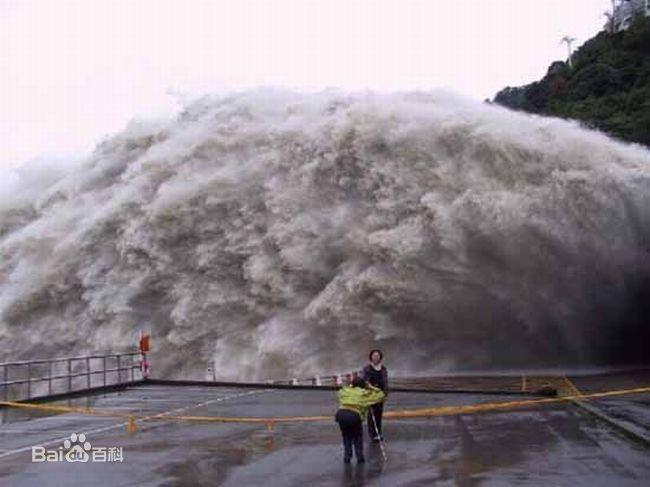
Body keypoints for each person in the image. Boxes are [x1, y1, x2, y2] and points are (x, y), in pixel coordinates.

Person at [335, 377, 386, 464]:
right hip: (354, 415)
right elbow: (381, 395)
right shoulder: (365, 394)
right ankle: (360, 457)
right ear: (363, 385)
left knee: (346, 436)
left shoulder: (345, 391)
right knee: (357, 436)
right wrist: (370, 387)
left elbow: (339, 392)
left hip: (341, 414)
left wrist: (351, 386)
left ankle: (347, 457)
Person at [360, 349, 388, 441]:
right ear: (371, 357)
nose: (376, 357)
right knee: (371, 414)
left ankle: (378, 433)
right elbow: (363, 380)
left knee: (379, 414)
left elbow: (385, 381)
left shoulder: (383, 368)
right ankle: (372, 434)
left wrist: (385, 393)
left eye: (377, 356)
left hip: (380, 394)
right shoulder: (367, 368)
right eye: (374, 356)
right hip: (371, 393)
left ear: (380, 357)